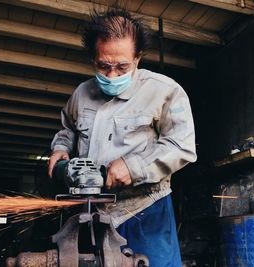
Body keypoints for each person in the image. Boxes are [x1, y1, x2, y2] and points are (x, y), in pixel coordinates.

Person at [48, 8, 197, 267]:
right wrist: (60, 148)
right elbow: (68, 129)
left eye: (122, 66)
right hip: (90, 212)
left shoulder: (166, 92)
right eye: (103, 66)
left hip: (145, 211)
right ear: (93, 58)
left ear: (137, 58)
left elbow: (182, 146)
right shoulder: (81, 95)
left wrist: (134, 166)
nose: (112, 75)